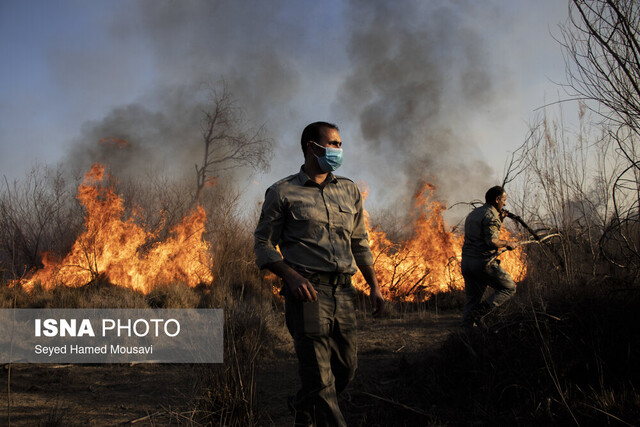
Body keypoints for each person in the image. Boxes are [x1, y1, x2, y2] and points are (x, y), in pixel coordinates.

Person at [254, 121, 384, 426]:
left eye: (339, 144)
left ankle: (303, 404)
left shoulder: (349, 190)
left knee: (347, 369)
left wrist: (375, 286)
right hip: (307, 294)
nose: (339, 150)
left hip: (344, 291)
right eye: (333, 143)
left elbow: (359, 242)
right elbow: (263, 244)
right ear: (311, 147)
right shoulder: (283, 192)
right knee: (320, 377)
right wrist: (290, 275)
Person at [460, 186, 517, 329]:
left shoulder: (473, 214)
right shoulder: (491, 216)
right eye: (503, 200)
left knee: (472, 301)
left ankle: (464, 338)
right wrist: (508, 243)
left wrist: (500, 221)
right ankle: (480, 313)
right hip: (482, 264)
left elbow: (482, 233)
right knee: (509, 288)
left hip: (467, 263)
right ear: (497, 199)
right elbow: (491, 241)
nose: (504, 203)